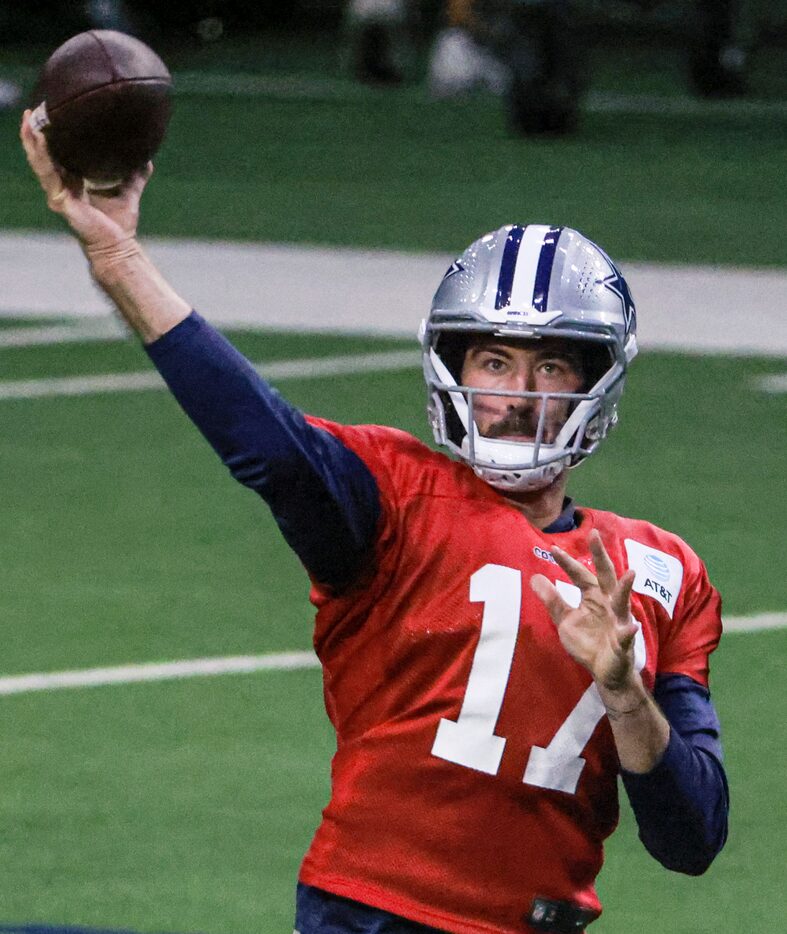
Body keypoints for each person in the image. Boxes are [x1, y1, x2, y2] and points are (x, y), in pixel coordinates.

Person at [20, 112, 729, 934]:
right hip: (367, 917)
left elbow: (692, 836)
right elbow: (266, 444)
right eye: (494, 361)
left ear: (593, 382)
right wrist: (117, 259)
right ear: (453, 369)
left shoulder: (661, 571)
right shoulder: (395, 498)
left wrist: (622, 692)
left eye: (551, 365)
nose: (516, 396)